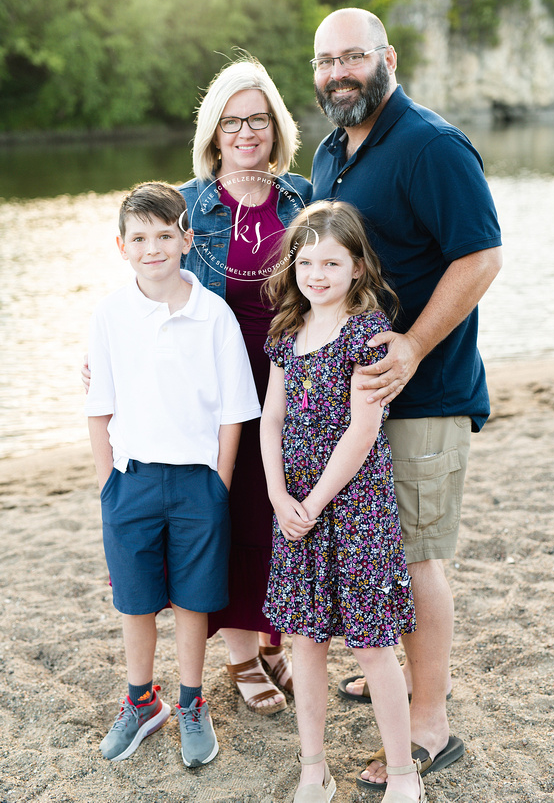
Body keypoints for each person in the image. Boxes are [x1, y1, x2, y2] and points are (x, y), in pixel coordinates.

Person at [309, 8, 503, 788]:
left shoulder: (430, 144)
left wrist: (413, 346)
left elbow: (481, 256)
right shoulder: (333, 152)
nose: (337, 73)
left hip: (424, 398)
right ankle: (395, 674)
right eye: (325, 61)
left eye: (352, 57)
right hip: (360, 406)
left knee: (418, 558)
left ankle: (429, 725)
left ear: (385, 57)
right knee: (377, 548)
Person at [84, 182, 261, 767]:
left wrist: (220, 483)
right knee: (135, 601)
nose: (153, 247)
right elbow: (99, 406)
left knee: (193, 600)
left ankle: (190, 701)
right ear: (122, 246)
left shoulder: (214, 314)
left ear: (188, 238)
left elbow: (236, 411)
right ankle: (141, 701)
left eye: (165, 235)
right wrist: (108, 483)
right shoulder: (110, 315)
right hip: (131, 481)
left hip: (197, 484)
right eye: (140, 237)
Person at [260, 200, 425, 803]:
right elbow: (271, 417)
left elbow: (362, 428)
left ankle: (404, 773)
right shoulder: (285, 331)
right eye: (306, 261)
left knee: (373, 644)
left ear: (357, 267)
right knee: (305, 641)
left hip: (354, 508)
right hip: (295, 512)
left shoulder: (366, 332)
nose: (317, 274)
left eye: (332, 262)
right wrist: (280, 495)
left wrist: (317, 500)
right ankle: (313, 768)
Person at [178, 58, 312, 713]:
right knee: (230, 517)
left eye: (257, 119)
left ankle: (274, 638)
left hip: (294, 386)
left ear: (276, 127)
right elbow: (150, 292)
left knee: (281, 517)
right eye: (231, 121)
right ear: (213, 133)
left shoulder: (303, 197)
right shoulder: (188, 206)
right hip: (219, 393)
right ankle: (239, 656)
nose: (245, 132)